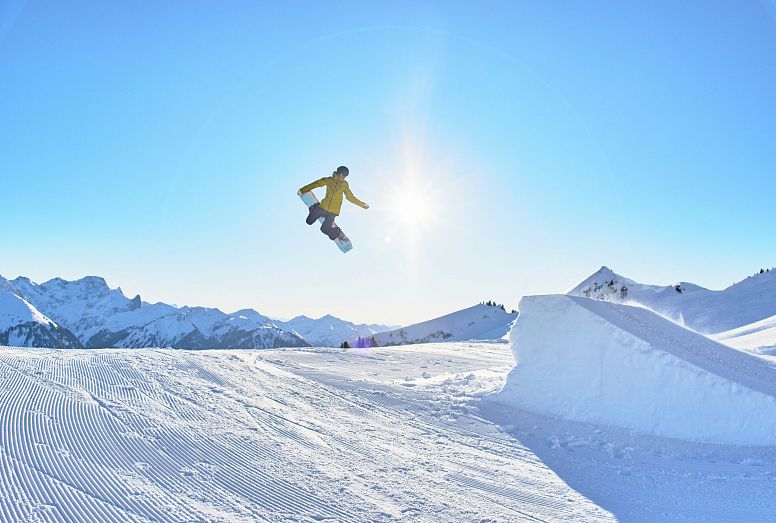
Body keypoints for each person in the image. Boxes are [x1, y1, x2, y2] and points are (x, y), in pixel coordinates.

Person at [299, 166, 369, 240]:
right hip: (323, 208)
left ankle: (336, 231)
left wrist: (362, 204)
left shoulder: (344, 185)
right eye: (344, 175)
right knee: (308, 221)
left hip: (332, 213)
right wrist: (302, 190)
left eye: (346, 176)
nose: (344, 177)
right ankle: (315, 207)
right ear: (340, 173)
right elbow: (315, 184)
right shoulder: (329, 180)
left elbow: (350, 197)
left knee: (324, 229)